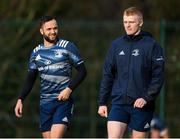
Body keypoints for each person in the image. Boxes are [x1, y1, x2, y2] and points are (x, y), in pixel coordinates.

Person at [14, 15, 87, 138]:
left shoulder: (67, 47)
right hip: (45, 104)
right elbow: (31, 77)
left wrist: (69, 89)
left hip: (62, 102)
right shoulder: (36, 52)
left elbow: (83, 71)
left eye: (55, 28)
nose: (53, 32)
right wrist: (21, 99)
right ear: (41, 31)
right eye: (49, 29)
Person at [98, 7, 165, 138]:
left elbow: (158, 76)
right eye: (125, 22)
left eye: (131, 22)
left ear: (140, 22)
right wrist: (102, 102)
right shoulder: (116, 45)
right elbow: (107, 75)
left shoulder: (152, 45)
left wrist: (146, 97)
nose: (127, 25)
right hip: (119, 103)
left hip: (142, 105)